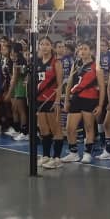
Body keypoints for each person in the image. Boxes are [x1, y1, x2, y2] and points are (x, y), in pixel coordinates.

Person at [34, 36, 65, 168]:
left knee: (56, 129)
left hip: (51, 99)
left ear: (51, 47)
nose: (44, 46)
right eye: (42, 44)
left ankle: (57, 158)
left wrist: (57, 101)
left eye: (47, 44)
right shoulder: (37, 62)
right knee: (44, 129)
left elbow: (60, 83)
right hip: (40, 99)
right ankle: (46, 155)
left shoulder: (56, 63)